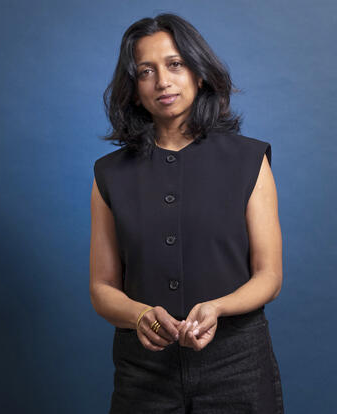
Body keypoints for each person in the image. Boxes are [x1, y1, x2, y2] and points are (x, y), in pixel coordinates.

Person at [89, 13, 284, 413]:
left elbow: (269, 276)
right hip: (143, 372)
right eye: (146, 71)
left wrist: (218, 308)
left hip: (237, 364)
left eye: (175, 64)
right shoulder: (109, 174)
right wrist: (139, 314)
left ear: (199, 74)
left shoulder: (249, 160)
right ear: (134, 90)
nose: (162, 81)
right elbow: (102, 287)